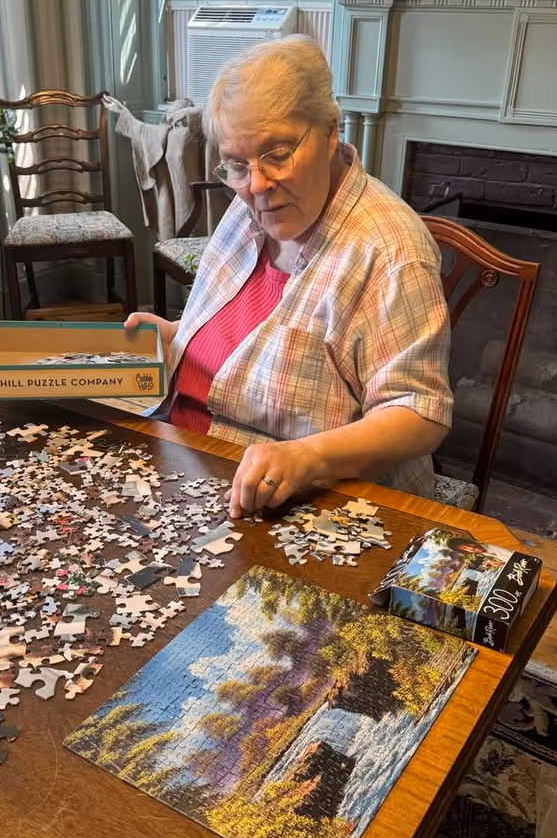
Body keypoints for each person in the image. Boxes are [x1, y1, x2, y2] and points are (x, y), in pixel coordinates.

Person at [126, 35, 453, 519]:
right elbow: (250, 339)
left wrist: (306, 456)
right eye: (237, 165)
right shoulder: (251, 206)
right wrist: (177, 339)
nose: (256, 185)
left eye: (278, 153)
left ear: (330, 132)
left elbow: (420, 413)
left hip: (308, 506)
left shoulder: (392, 250)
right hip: (186, 462)